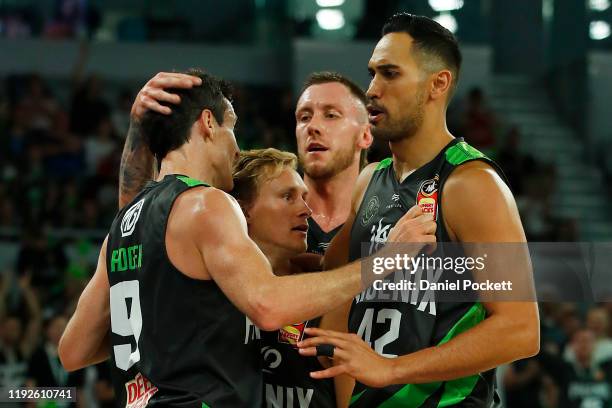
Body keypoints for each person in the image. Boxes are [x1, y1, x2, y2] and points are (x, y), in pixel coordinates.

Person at [58, 69, 436, 407]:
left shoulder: (123, 226)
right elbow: (268, 305)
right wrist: (386, 260)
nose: (236, 148)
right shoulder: (207, 204)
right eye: (232, 126)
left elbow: (73, 351)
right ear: (208, 123)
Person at [297, 13, 540, 407]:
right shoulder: (370, 180)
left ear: (437, 84)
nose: (372, 89)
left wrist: (391, 369)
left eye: (390, 74)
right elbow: (334, 284)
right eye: (372, 73)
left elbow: (520, 330)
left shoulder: (470, 184)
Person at [120, 70, 374, 407]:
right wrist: (140, 130)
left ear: (366, 135)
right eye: (303, 116)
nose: (314, 126)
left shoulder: (385, 224)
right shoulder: (233, 214)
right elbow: (147, 230)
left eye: (331, 115)